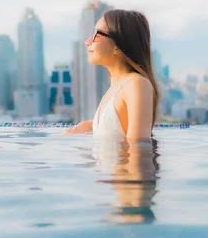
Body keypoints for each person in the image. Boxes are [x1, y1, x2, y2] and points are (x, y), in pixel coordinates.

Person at [65, 9, 159, 141]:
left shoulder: (137, 84)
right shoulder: (116, 87)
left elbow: (139, 152)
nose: (87, 41)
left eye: (96, 34)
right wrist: (90, 125)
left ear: (118, 45)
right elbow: (118, 125)